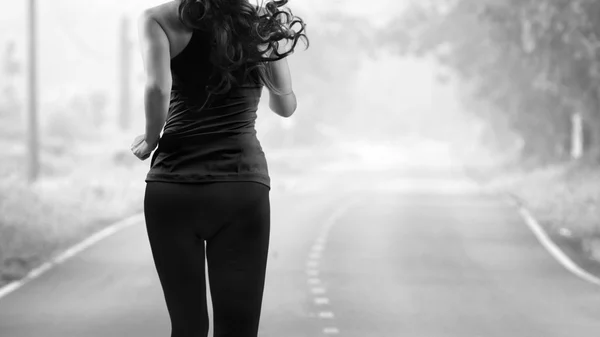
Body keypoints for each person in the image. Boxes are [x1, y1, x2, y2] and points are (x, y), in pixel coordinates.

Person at [129, 0, 308, 336]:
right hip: (242, 186)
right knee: (238, 328)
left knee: (187, 325)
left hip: (173, 185)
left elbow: (157, 88)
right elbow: (284, 105)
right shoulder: (259, 24)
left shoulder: (158, 18)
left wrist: (152, 137)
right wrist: (272, 50)